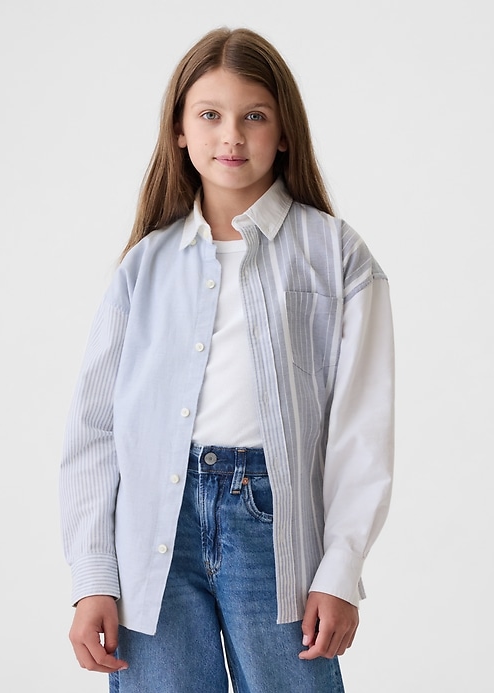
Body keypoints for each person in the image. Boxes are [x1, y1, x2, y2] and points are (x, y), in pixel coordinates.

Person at [60, 26, 394, 693]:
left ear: (284, 131)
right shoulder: (145, 265)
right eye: (210, 115)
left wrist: (339, 569)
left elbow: (361, 429)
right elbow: (95, 427)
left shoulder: (335, 255)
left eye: (254, 116)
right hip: (153, 530)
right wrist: (93, 573)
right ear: (180, 132)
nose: (232, 136)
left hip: (275, 527)